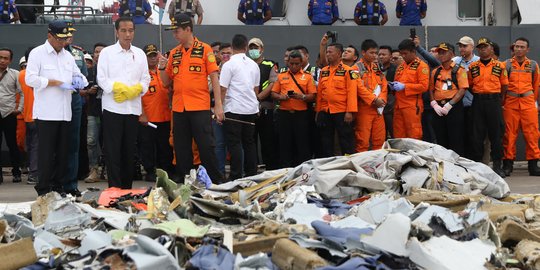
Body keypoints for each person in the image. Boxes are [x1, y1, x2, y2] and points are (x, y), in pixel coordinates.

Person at [159, 13, 225, 183]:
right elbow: (166, 82)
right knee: (181, 149)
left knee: (206, 147)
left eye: (177, 31)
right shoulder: (174, 53)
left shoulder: (205, 49)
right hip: (179, 108)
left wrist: (218, 105)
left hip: (200, 107)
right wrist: (161, 66)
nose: (174, 35)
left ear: (188, 29)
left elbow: (215, 78)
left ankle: (216, 181)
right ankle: (185, 182)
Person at [25, 20, 88, 195]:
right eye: (59, 39)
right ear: (50, 35)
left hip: (65, 112)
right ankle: (44, 189)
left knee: (63, 152)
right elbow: (30, 79)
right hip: (46, 113)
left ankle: (59, 187)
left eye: (65, 39)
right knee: (46, 154)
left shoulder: (68, 56)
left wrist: (79, 81)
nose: (63, 42)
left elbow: (80, 76)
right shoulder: (38, 53)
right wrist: (51, 82)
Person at [97, 17, 150, 188]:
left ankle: (126, 188)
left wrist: (137, 89)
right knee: (113, 151)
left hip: (132, 108)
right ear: (116, 32)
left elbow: (146, 78)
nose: (128, 34)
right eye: (124, 31)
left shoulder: (140, 54)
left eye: (131, 30)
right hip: (113, 107)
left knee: (129, 150)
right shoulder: (107, 53)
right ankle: (114, 187)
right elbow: (101, 79)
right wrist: (117, 87)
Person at [219, 34, 260, 180]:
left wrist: (220, 108)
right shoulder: (254, 65)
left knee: (234, 143)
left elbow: (222, 88)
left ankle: (236, 175)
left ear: (232, 46)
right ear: (245, 47)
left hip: (234, 109)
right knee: (249, 142)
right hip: (251, 109)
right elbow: (256, 89)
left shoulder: (228, 64)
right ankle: (252, 174)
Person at [467, 37, 508, 178]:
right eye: (480, 47)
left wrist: (498, 99)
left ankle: (497, 166)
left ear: (491, 49)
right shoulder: (472, 67)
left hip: (494, 102)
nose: (482, 49)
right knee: (477, 135)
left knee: (496, 134)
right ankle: (478, 166)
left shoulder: (500, 66)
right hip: (478, 102)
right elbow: (470, 85)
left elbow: (504, 85)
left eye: (485, 46)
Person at [502, 37, 540, 176]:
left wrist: (533, 102)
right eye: (517, 46)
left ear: (527, 49)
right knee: (509, 135)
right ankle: (507, 165)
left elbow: (536, 85)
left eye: (522, 47)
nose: (518, 49)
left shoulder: (533, 65)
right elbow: (502, 86)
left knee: (532, 134)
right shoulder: (506, 65)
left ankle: (533, 165)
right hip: (510, 103)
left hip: (528, 103)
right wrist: (504, 103)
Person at [272, 50, 317, 166]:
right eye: (291, 63)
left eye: (297, 64)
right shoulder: (281, 76)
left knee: (302, 144)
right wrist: (282, 97)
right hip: (284, 114)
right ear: (288, 63)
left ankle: (303, 170)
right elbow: (273, 94)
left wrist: (301, 97)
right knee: (285, 144)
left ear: (301, 63)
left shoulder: (307, 77)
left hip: (301, 115)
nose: (294, 66)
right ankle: (285, 169)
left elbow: (313, 96)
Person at [139, 44, 174, 182]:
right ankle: (150, 171)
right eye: (149, 56)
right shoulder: (141, 74)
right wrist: (142, 114)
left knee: (165, 146)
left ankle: (164, 171)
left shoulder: (163, 71)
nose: (153, 59)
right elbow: (138, 95)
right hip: (149, 117)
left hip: (165, 115)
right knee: (148, 147)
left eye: (154, 55)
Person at [316, 43, 357, 157]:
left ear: (339, 54)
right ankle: (328, 164)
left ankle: (348, 163)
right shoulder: (324, 71)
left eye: (330, 52)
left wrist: (350, 111)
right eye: (327, 52)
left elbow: (352, 92)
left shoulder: (348, 71)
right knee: (326, 140)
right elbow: (320, 92)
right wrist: (318, 111)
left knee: (346, 140)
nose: (328, 54)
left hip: (342, 111)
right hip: (325, 111)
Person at [428, 42, 467, 156]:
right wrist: (434, 103)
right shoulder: (436, 71)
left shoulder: (459, 70)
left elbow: (462, 89)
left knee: (456, 138)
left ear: (452, 54)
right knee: (440, 137)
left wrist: (450, 105)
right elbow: (430, 89)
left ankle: (457, 164)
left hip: (453, 107)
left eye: (444, 52)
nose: (441, 55)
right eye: (439, 53)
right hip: (438, 108)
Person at [64, 21, 88, 197]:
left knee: (73, 143)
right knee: (55, 144)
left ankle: (71, 184)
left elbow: (83, 77)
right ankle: (54, 183)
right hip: (55, 101)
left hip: (73, 100)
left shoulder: (78, 54)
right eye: (65, 33)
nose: (68, 37)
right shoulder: (45, 53)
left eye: (71, 34)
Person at [248, 37, 280, 170]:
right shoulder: (245, 64)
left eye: (256, 47)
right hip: (249, 109)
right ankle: (251, 169)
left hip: (266, 107)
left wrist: (259, 97)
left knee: (268, 140)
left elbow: (273, 84)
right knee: (250, 140)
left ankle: (271, 169)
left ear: (262, 49)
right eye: (251, 48)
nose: (253, 50)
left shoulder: (270, 64)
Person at [391, 39, 429, 139]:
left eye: (405, 53)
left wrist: (405, 86)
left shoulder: (422, 66)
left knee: (414, 134)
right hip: (398, 105)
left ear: (413, 52)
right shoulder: (400, 67)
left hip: (412, 106)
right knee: (398, 134)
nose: (403, 56)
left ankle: (414, 154)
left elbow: (424, 86)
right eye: (401, 54)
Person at [354, 39, 387, 152]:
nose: (375, 56)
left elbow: (384, 84)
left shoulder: (377, 67)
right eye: (371, 53)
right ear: (363, 52)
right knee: (362, 141)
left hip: (379, 109)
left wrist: (382, 99)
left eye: (376, 53)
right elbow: (359, 88)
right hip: (364, 109)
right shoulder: (355, 68)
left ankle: (378, 165)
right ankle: (361, 167)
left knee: (379, 140)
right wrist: (373, 100)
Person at [0, 47, 23, 184]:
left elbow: (23, 93)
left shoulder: (15, 74)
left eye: (5, 58)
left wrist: (19, 108)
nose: (2, 60)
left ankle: (16, 172)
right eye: (0, 57)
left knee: (12, 144)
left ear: (10, 60)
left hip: (9, 113)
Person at [84, 43, 106, 183]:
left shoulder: (113, 71)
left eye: (101, 52)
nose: (98, 54)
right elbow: (80, 90)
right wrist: (88, 92)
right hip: (93, 111)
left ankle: (110, 169)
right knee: (91, 141)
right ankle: (94, 169)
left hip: (110, 111)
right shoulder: (88, 72)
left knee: (110, 142)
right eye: (96, 52)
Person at [19, 47, 37, 185]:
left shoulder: (21, 74)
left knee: (31, 145)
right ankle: (34, 174)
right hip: (38, 115)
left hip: (27, 116)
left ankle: (32, 172)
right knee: (37, 146)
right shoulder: (36, 75)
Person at [379, 45, 396, 139]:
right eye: (379, 54)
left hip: (391, 107)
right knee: (380, 136)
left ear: (390, 56)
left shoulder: (397, 69)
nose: (381, 56)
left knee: (394, 134)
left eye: (384, 54)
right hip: (377, 106)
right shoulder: (374, 68)